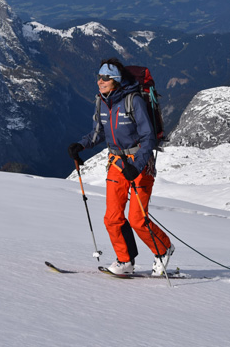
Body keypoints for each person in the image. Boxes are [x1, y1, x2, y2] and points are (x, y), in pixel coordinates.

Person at [68, 58, 174, 276]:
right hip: (116, 163)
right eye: (99, 77)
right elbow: (98, 133)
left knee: (137, 219)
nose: (100, 81)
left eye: (105, 77)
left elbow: (148, 138)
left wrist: (137, 166)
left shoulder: (133, 101)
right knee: (112, 217)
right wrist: (81, 145)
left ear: (115, 80)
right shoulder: (102, 102)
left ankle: (163, 250)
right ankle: (125, 261)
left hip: (140, 165)